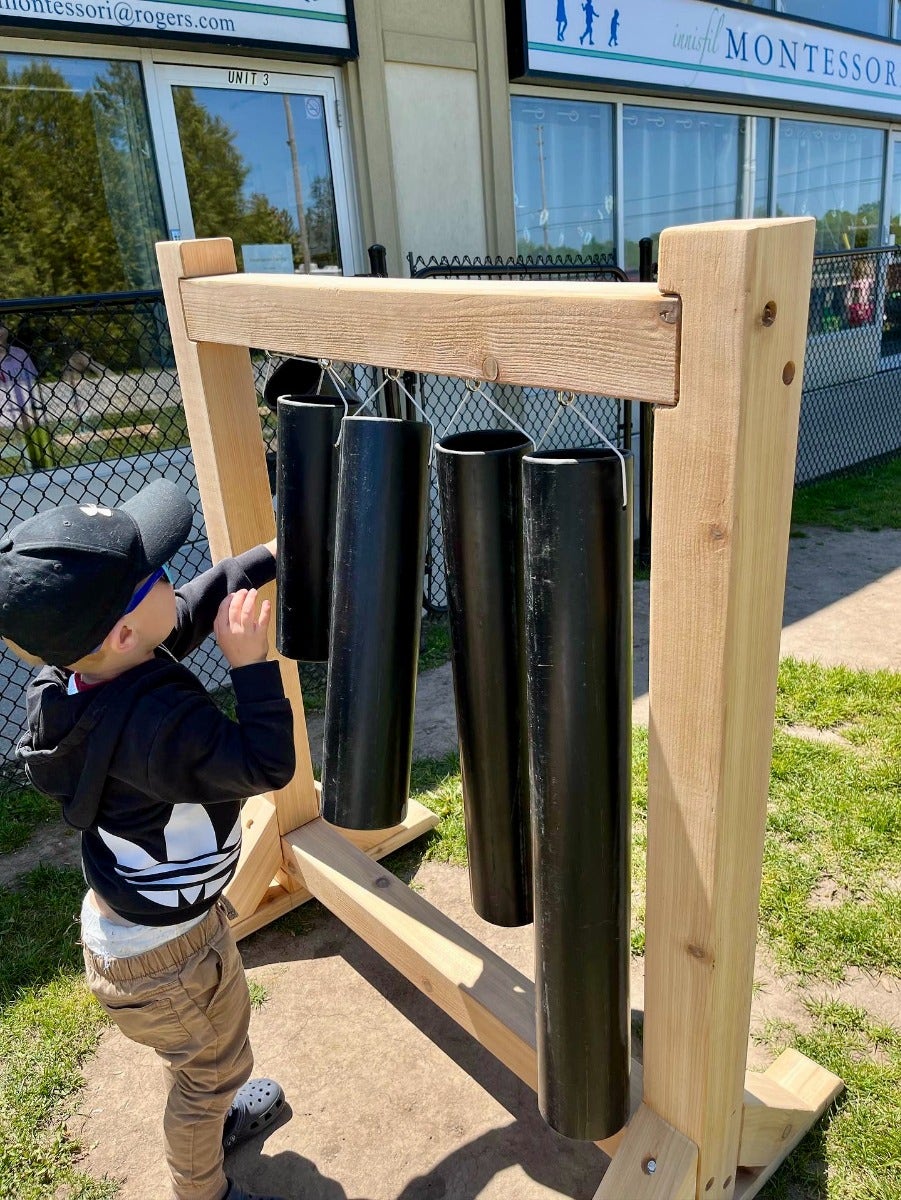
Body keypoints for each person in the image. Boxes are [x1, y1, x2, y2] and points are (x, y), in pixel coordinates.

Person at [0, 478, 295, 1200]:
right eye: (155, 574)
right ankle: (204, 1183)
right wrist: (252, 665)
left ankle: (214, 1109)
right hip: (166, 956)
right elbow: (266, 765)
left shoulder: (84, 675)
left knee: (205, 1048)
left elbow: (189, 607)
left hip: (146, 927)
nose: (176, 577)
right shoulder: (158, 729)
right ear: (126, 634)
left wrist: (272, 553)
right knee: (209, 1070)